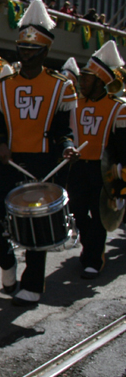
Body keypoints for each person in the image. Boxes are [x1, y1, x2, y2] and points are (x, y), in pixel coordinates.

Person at [0, 0, 78, 307]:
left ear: (45, 52)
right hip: (7, 163)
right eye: (22, 49)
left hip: (43, 163)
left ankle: (32, 285)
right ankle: (7, 261)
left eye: (32, 51)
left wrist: (66, 148)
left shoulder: (61, 86)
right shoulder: (1, 86)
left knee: (37, 227)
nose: (26, 55)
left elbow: (65, 129)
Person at [69, 41, 126, 279]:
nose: (82, 82)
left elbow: (122, 148)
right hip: (77, 168)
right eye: (82, 77)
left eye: (87, 78)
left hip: (102, 171)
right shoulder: (74, 104)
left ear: (101, 81)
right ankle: (89, 246)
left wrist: (120, 180)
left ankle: (94, 257)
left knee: (99, 214)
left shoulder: (118, 108)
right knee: (78, 212)